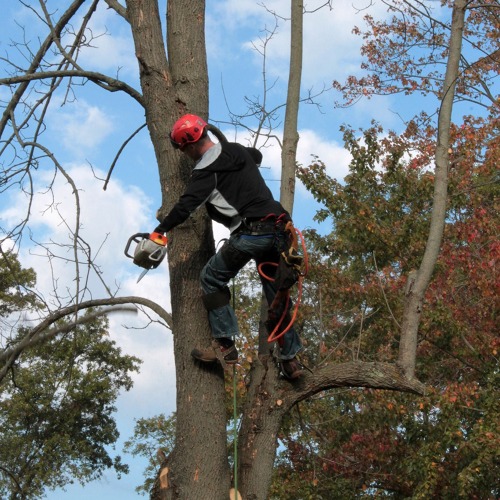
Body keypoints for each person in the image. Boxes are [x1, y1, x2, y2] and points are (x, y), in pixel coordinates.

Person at [154, 114, 304, 379]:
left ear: (188, 146)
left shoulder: (205, 173)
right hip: (281, 231)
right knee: (275, 294)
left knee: (210, 278)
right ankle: (291, 362)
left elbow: (185, 207)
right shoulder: (236, 150)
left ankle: (225, 346)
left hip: (252, 234)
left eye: (184, 150)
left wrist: (160, 230)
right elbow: (255, 156)